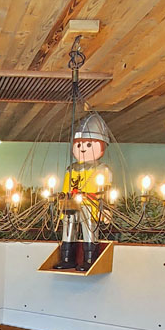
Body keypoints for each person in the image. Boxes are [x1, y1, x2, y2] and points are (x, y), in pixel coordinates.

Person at [53, 112, 112, 272]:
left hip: (90, 204)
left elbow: (106, 191)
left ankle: (89, 259)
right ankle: (67, 258)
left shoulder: (102, 169)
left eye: (89, 145)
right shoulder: (71, 169)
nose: (83, 149)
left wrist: (106, 208)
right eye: (79, 145)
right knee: (68, 229)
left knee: (89, 229)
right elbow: (65, 188)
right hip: (71, 203)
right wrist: (61, 204)